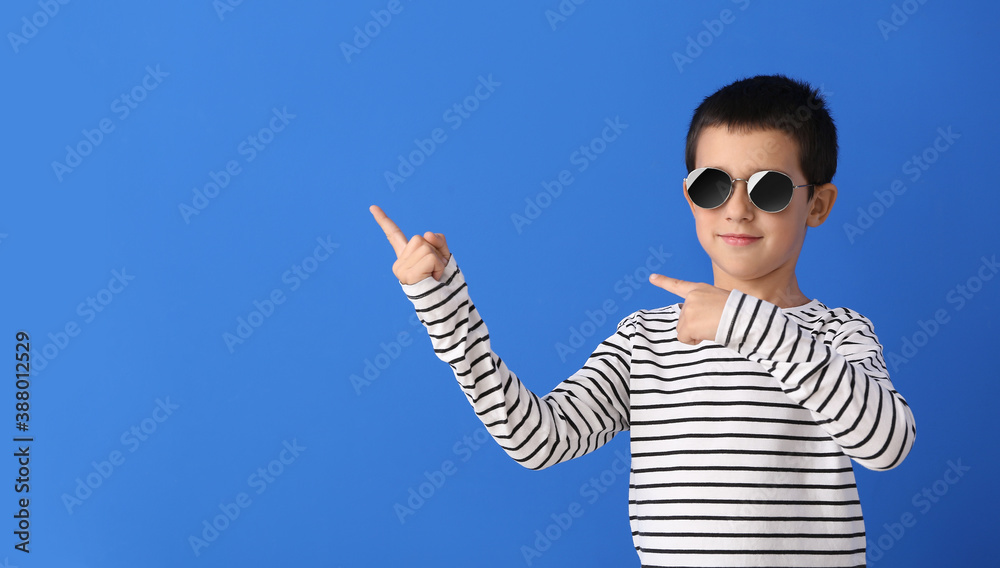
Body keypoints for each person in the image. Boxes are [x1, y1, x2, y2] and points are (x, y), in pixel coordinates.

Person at [370, 74, 915, 567]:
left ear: (817, 205)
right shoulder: (644, 340)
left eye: (769, 187)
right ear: (690, 197)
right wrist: (444, 307)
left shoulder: (838, 334)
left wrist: (749, 324)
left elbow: (886, 445)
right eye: (714, 185)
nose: (737, 209)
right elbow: (538, 440)